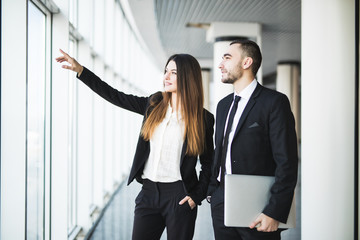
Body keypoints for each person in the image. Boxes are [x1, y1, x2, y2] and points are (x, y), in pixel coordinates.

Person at [56, 50, 214, 240]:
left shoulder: (203, 118)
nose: (166, 76)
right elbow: (115, 96)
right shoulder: (154, 104)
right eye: (166, 71)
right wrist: (81, 71)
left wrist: (196, 196)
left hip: (180, 195)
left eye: (173, 72)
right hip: (148, 193)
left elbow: (209, 162)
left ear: (188, 77)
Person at [207, 39, 298, 240]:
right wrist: (213, 192)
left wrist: (274, 211)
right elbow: (220, 151)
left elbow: (287, 162)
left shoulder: (274, 102)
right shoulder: (223, 106)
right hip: (222, 203)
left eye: (227, 58)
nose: (220, 64)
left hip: (259, 208)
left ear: (247, 62)